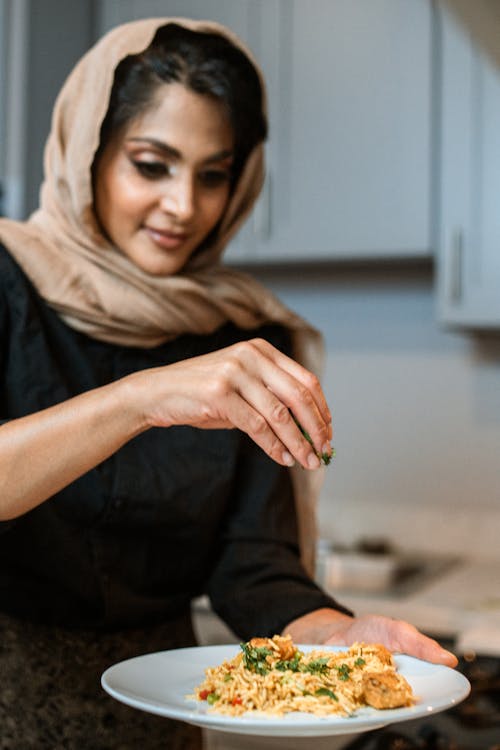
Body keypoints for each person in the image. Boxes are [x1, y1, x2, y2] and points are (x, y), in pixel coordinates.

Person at [0, 17, 456, 749]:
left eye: (214, 174)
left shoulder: (241, 337)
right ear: (87, 152)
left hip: (168, 712)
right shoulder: (9, 282)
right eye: (151, 164)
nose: (184, 206)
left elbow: (254, 560)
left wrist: (334, 631)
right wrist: (138, 400)